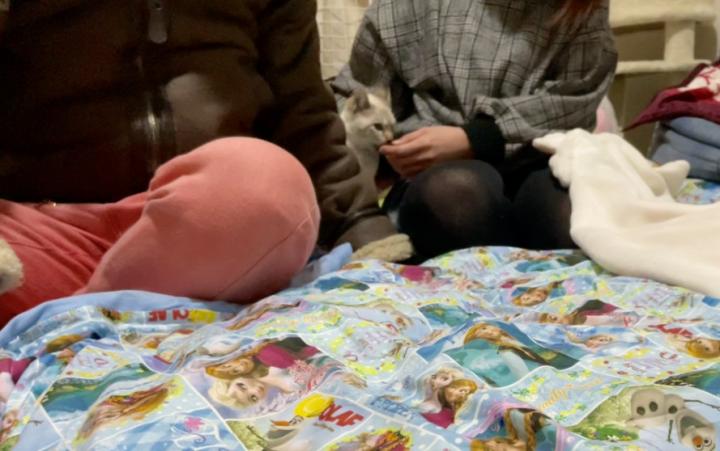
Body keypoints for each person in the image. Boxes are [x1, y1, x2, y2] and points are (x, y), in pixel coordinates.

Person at [0, 1, 408, 325]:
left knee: (267, 186)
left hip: (215, 228)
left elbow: (301, 109)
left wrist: (358, 221)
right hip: (42, 231)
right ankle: (114, 313)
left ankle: (65, 319)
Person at [333, 0, 618, 258]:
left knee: (574, 215)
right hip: (433, 171)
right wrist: (385, 154)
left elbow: (578, 93)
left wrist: (478, 137)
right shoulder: (403, 8)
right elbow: (356, 93)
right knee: (454, 196)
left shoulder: (578, 10)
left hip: (541, 155)